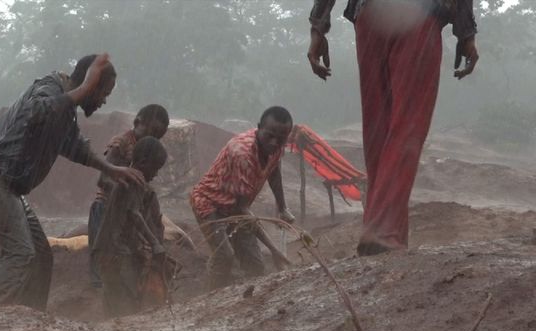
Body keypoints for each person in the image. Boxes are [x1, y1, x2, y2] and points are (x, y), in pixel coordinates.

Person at [0, 53, 144, 311]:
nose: (104, 100)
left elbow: (73, 146)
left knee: (41, 257)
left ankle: (30, 320)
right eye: (103, 91)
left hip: (8, 184)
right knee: (21, 253)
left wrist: (110, 168)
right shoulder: (48, 88)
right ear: (89, 83)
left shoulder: (65, 111)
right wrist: (83, 90)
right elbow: (36, 112)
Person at [307, 0, 479, 255]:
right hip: (418, 13)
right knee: (408, 123)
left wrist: (317, 30)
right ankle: (383, 230)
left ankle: (384, 230)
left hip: (370, 16)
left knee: (378, 129)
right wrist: (466, 35)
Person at [190, 106, 296, 290]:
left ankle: (247, 305)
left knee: (255, 264)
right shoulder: (242, 153)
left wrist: (282, 207)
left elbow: (274, 171)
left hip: (235, 207)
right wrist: (274, 250)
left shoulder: (277, 147)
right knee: (224, 256)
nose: (274, 142)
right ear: (258, 128)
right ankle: (208, 302)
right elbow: (242, 210)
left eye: (281, 138)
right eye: (269, 135)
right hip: (209, 203)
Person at [88, 104, 169, 289]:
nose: (154, 138)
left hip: (126, 211)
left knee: (126, 257)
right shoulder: (121, 144)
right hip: (107, 207)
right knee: (105, 261)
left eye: (159, 136)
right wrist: (125, 185)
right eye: (152, 131)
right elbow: (103, 179)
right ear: (137, 122)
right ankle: (101, 302)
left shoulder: (147, 148)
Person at [93, 136, 170, 317]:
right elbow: (134, 213)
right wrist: (155, 244)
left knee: (118, 296)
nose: (156, 174)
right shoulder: (133, 181)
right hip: (113, 250)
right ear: (144, 163)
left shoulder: (135, 182)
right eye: (156, 168)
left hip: (115, 250)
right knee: (122, 299)